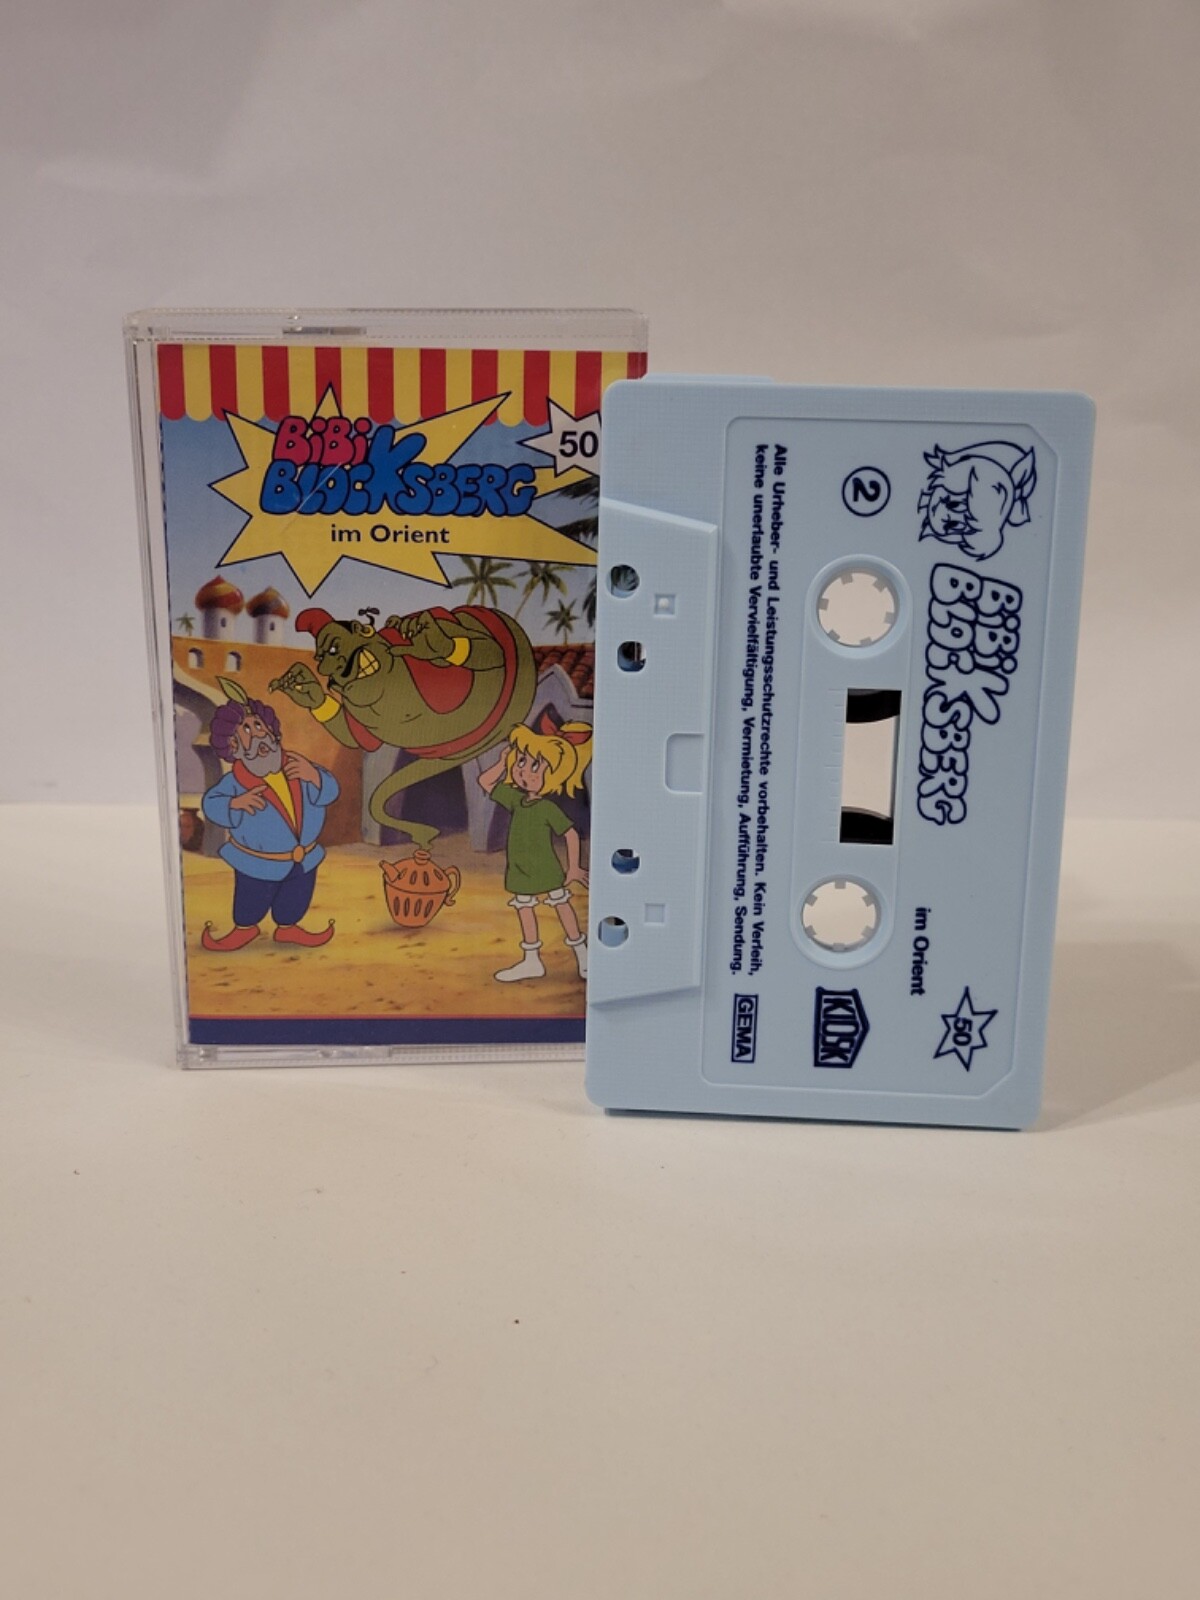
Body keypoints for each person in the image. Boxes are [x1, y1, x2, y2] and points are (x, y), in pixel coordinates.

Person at [200, 687, 338, 951]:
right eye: (246, 730)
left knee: (296, 895)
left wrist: (315, 777)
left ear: (273, 732)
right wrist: (234, 804)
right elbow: (211, 803)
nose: (257, 735)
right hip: (258, 862)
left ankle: (288, 928)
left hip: (303, 857)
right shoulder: (235, 782)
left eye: (259, 726)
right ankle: (245, 928)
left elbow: (330, 792)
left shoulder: (298, 766)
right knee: (251, 897)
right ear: (233, 746)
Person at [478, 713, 592, 982]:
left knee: (561, 906)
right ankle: (532, 961)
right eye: (521, 762)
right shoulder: (516, 799)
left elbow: (570, 834)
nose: (524, 771)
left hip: (546, 868)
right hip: (520, 869)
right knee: (525, 909)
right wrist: (503, 761)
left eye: (535, 766)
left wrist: (574, 868)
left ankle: (583, 955)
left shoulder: (547, 808)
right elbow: (485, 782)